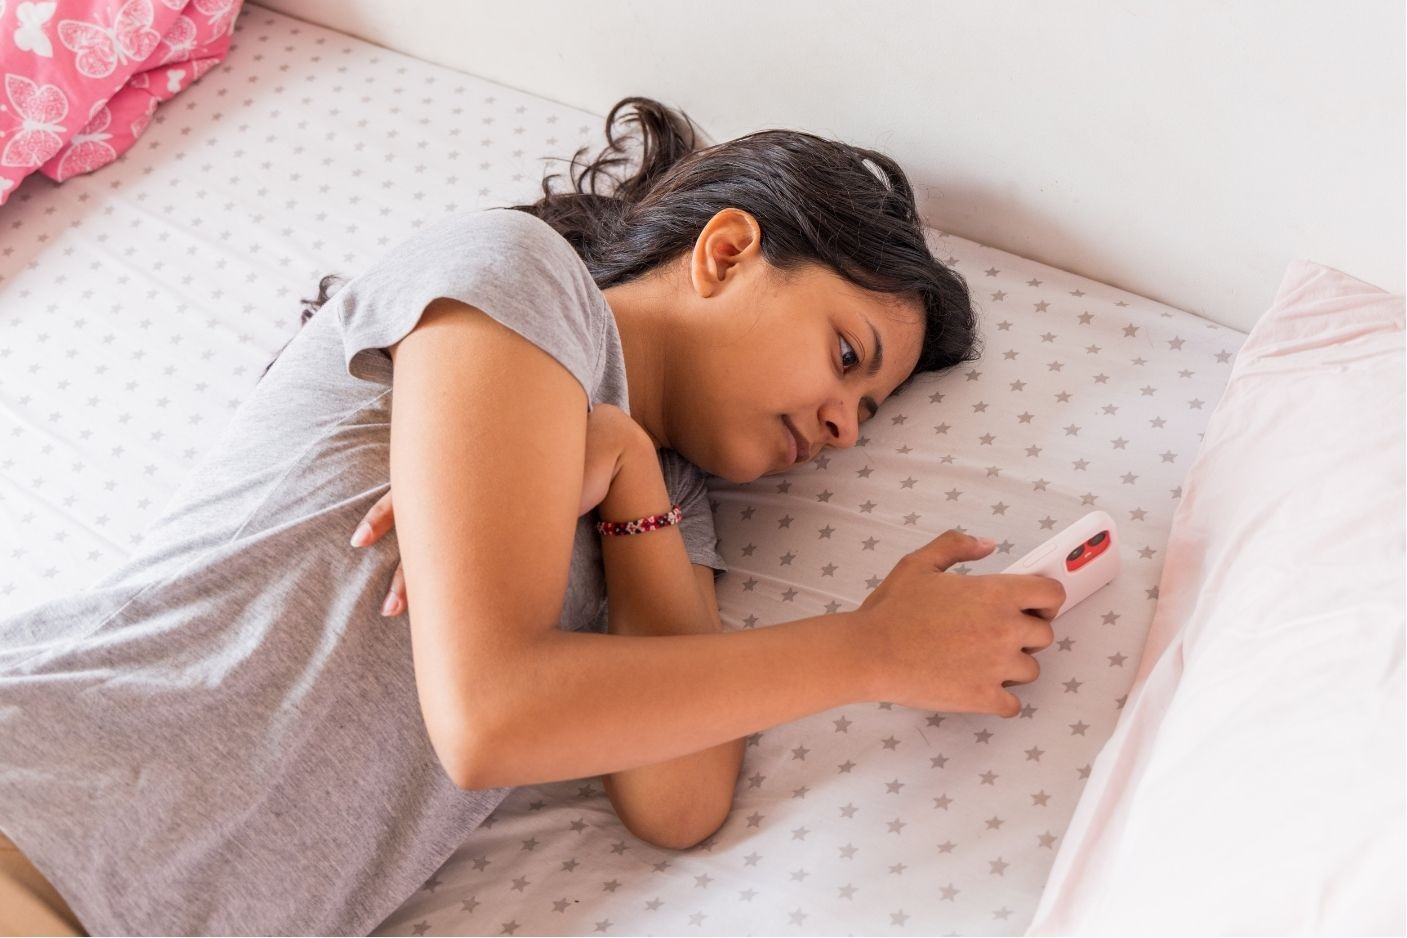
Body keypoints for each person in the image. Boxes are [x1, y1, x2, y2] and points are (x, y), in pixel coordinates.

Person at [0, 96, 1063, 936]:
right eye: (846, 357)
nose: (846, 426)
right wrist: (869, 650)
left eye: (870, 412)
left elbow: (680, 802)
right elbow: (491, 714)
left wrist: (639, 477)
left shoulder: (665, 512)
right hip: (45, 809)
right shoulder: (518, 277)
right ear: (727, 253)